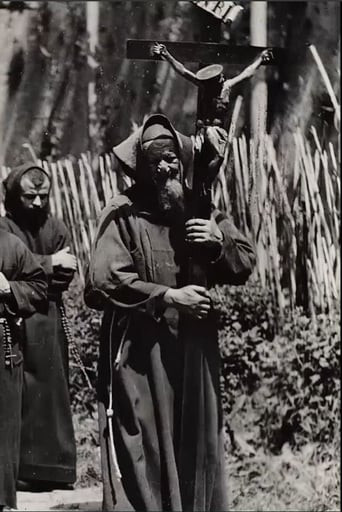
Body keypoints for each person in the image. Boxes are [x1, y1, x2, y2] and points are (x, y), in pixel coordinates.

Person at [85, 114, 256, 511]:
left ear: (182, 159)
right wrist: (168, 296)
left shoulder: (199, 207)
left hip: (194, 354)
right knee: (146, 448)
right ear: (142, 167)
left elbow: (244, 261)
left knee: (196, 445)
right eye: (155, 161)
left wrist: (217, 244)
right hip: (142, 359)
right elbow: (103, 281)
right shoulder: (122, 213)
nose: (165, 168)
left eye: (171, 159)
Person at [0, 163, 77, 491]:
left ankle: (54, 468)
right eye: (29, 196)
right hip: (14, 320)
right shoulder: (4, 229)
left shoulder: (57, 228)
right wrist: (48, 262)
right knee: (21, 396)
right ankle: (21, 469)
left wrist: (38, 270)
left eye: (42, 196)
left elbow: (62, 278)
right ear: (14, 195)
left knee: (51, 392)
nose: (36, 203)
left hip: (48, 321)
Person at [0, 230, 47, 510]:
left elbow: (39, 286)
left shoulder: (9, 244)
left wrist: (8, 289)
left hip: (2, 346)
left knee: (3, 425)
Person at [152, 42, 273, 126]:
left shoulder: (227, 86)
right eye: (218, 78)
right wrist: (167, 55)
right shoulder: (205, 86)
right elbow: (183, 71)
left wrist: (260, 60)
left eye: (220, 75)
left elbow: (246, 73)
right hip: (204, 129)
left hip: (219, 131)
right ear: (211, 81)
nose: (221, 77)